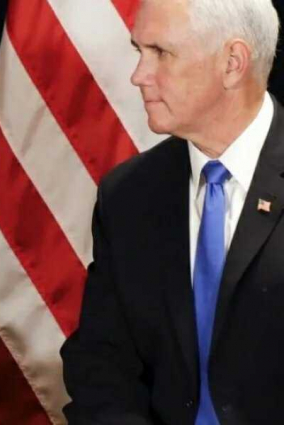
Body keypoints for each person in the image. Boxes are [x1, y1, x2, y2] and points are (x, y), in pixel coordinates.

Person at [60, 0, 283, 424]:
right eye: (139, 51)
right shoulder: (128, 195)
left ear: (232, 63)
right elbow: (102, 365)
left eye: (160, 53)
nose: (138, 75)